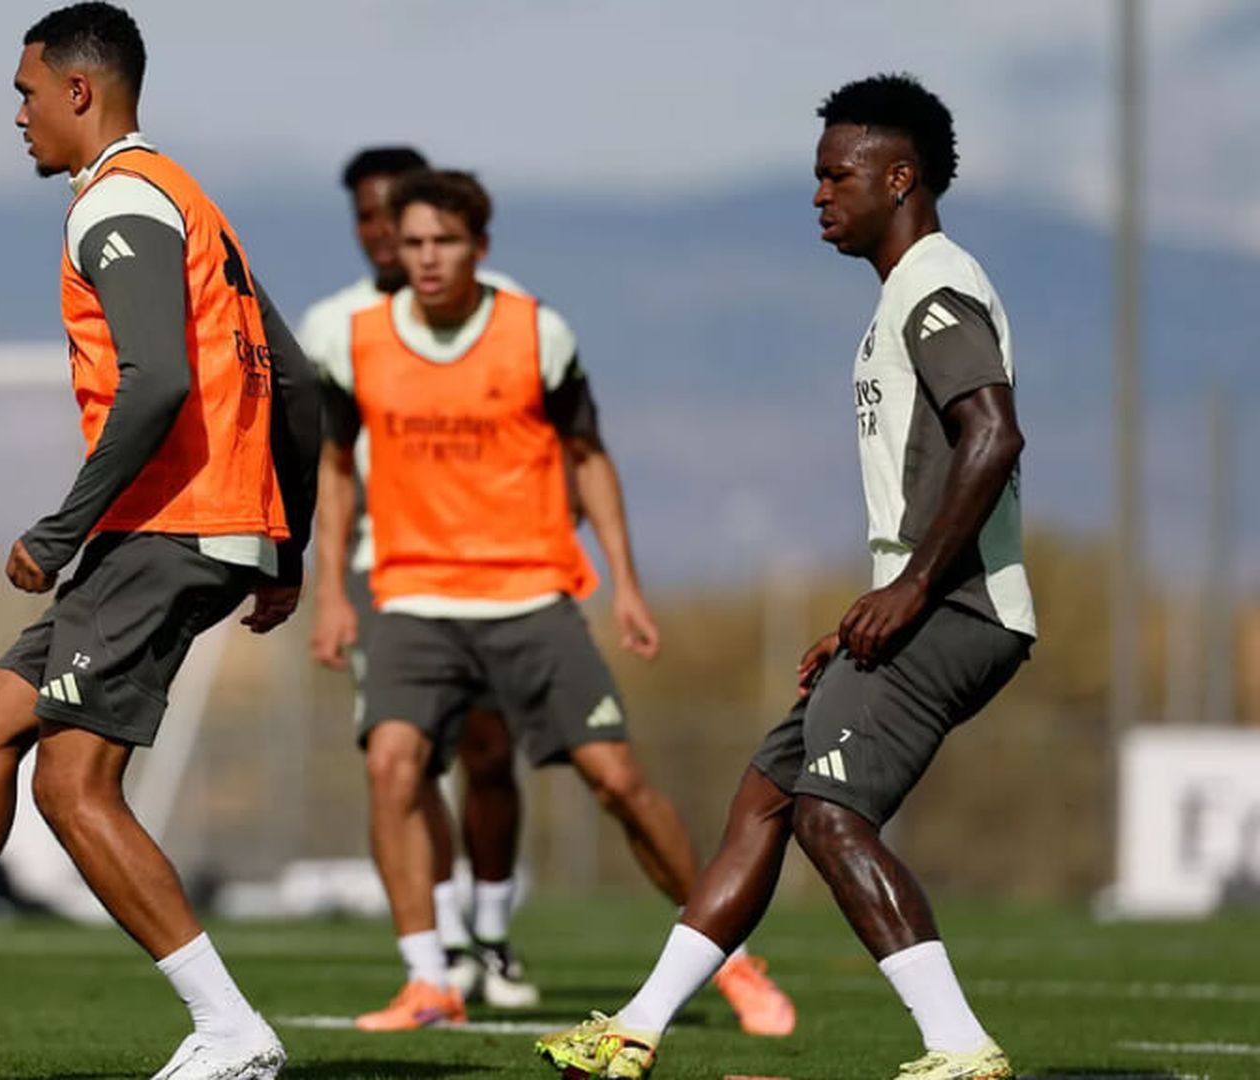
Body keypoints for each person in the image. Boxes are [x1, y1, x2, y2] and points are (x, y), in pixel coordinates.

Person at [0, 6, 317, 1079]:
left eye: (24, 92)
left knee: (72, 786)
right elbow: (298, 386)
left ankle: (231, 1030)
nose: (14, 114)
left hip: (163, 527)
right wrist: (286, 547)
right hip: (199, 529)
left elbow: (159, 380)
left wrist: (58, 534)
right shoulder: (193, 201)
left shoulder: (118, 204)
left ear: (80, 93)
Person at [535, 73, 1034, 1080]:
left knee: (828, 814)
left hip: (960, 605)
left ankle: (957, 1045)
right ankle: (635, 1029)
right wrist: (873, 604)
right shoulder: (902, 293)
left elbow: (993, 434)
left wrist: (909, 591)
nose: (819, 195)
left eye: (835, 176)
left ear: (899, 178)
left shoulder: (934, 284)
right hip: (922, 598)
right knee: (766, 796)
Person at [315, 169, 792, 1035]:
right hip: (412, 595)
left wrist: (627, 582)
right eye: (413, 241)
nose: (426, 258)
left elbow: (589, 457)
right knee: (391, 763)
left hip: (531, 593)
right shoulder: (360, 342)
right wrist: (330, 597)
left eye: (445, 242)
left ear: (480, 250)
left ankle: (728, 958)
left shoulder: (538, 336)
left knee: (618, 782)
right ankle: (429, 977)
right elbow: (338, 467)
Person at [301, 145, 538, 1009]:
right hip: (385, 574)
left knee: (488, 750)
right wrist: (324, 585)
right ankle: (435, 956)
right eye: (366, 216)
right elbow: (321, 463)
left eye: (396, 215)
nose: (384, 234)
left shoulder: (507, 309)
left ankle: (494, 934)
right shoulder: (334, 326)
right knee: (404, 760)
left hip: (494, 569)